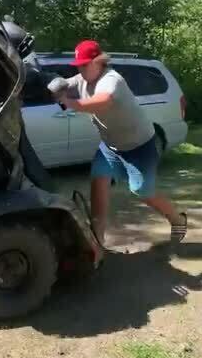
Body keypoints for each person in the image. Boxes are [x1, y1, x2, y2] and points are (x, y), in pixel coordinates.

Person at [48, 40, 187, 264]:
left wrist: (67, 101)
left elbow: (100, 103)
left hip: (139, 146)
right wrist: (53, 83)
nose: (80, 69)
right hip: (111, 146)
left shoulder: (111, 80)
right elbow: (64, 83)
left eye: (85, 65)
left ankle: (177, 220)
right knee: (98, 182)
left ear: (99, 61)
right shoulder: (82, 78)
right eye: (78, 66)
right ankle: (98, 244)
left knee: (142, 190)